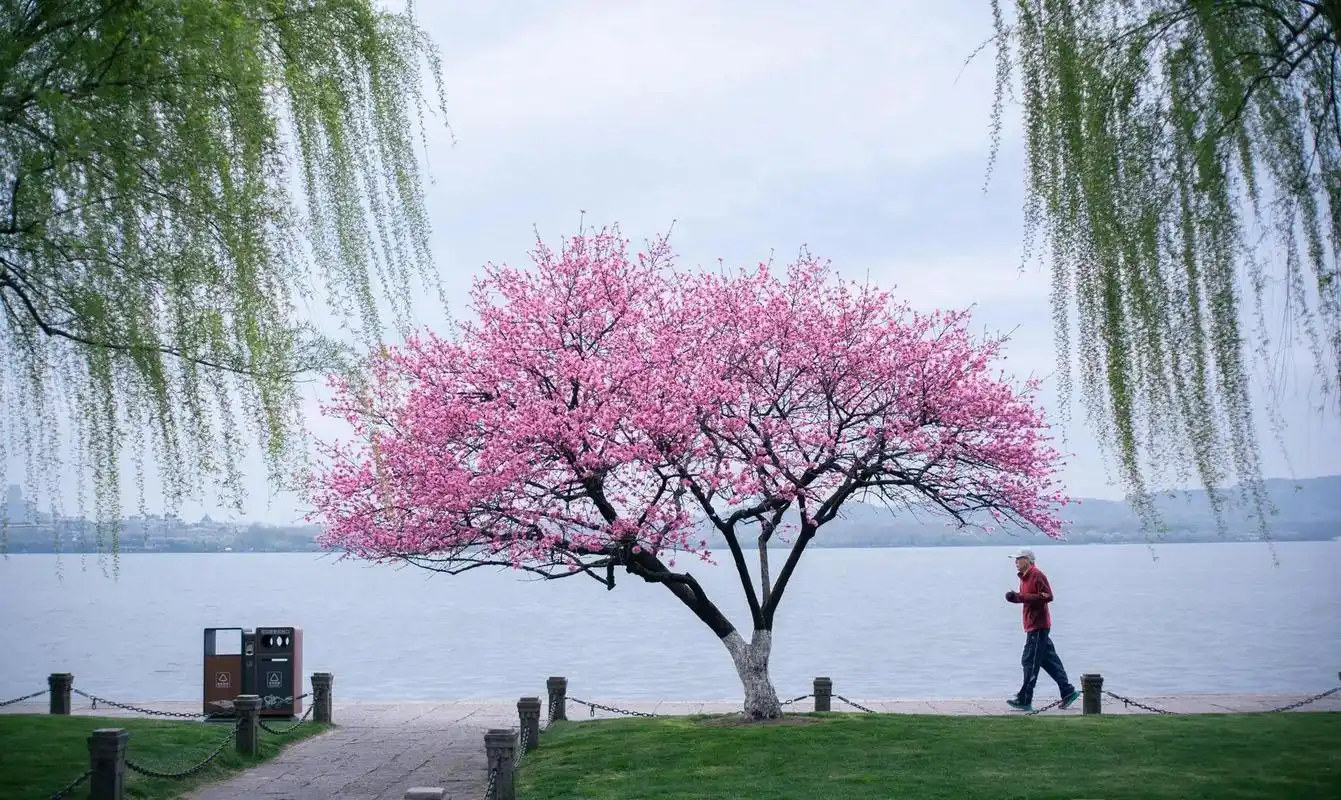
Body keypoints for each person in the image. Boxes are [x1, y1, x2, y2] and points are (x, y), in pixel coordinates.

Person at [1004, 548, 1080, 712]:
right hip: (1033, 625)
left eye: (1019, 559)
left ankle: (1025, 699)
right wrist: (1015, 597)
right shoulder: (1024, 577)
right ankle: (1068, 691)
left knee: (1029, 661)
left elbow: (1047, 596)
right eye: (1015, 559)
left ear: (1028, 560)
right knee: (1048, 660)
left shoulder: (1037, 574)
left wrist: (1022, 598)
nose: (1015, 562)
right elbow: (1029, 597)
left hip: (1039, 625)